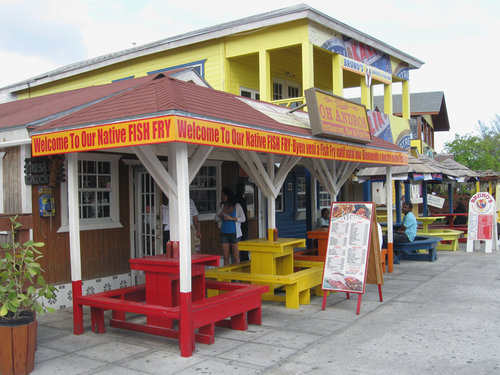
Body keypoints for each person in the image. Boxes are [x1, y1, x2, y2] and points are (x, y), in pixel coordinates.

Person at [215, 187, 246, 266]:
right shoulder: (222, 206)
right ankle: (227, 277)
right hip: (224, 233)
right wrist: (221, 213)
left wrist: (232, 218)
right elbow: (216, 219)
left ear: (229, 196)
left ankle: (237, 277)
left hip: (235, 234)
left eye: (225, 195)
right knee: (226, 257)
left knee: (236, 256)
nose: (223, 197)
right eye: (222, 195)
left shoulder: (237, 206)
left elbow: (243, 218)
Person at [235, 182, 249, 261]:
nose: (243, 190)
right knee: (243, 242)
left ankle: (243, 258)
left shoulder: (240, 199)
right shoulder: (240, 200)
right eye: (242, 189)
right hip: (240, 224)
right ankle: (244, 259)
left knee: (241, 243)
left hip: (243, 223)